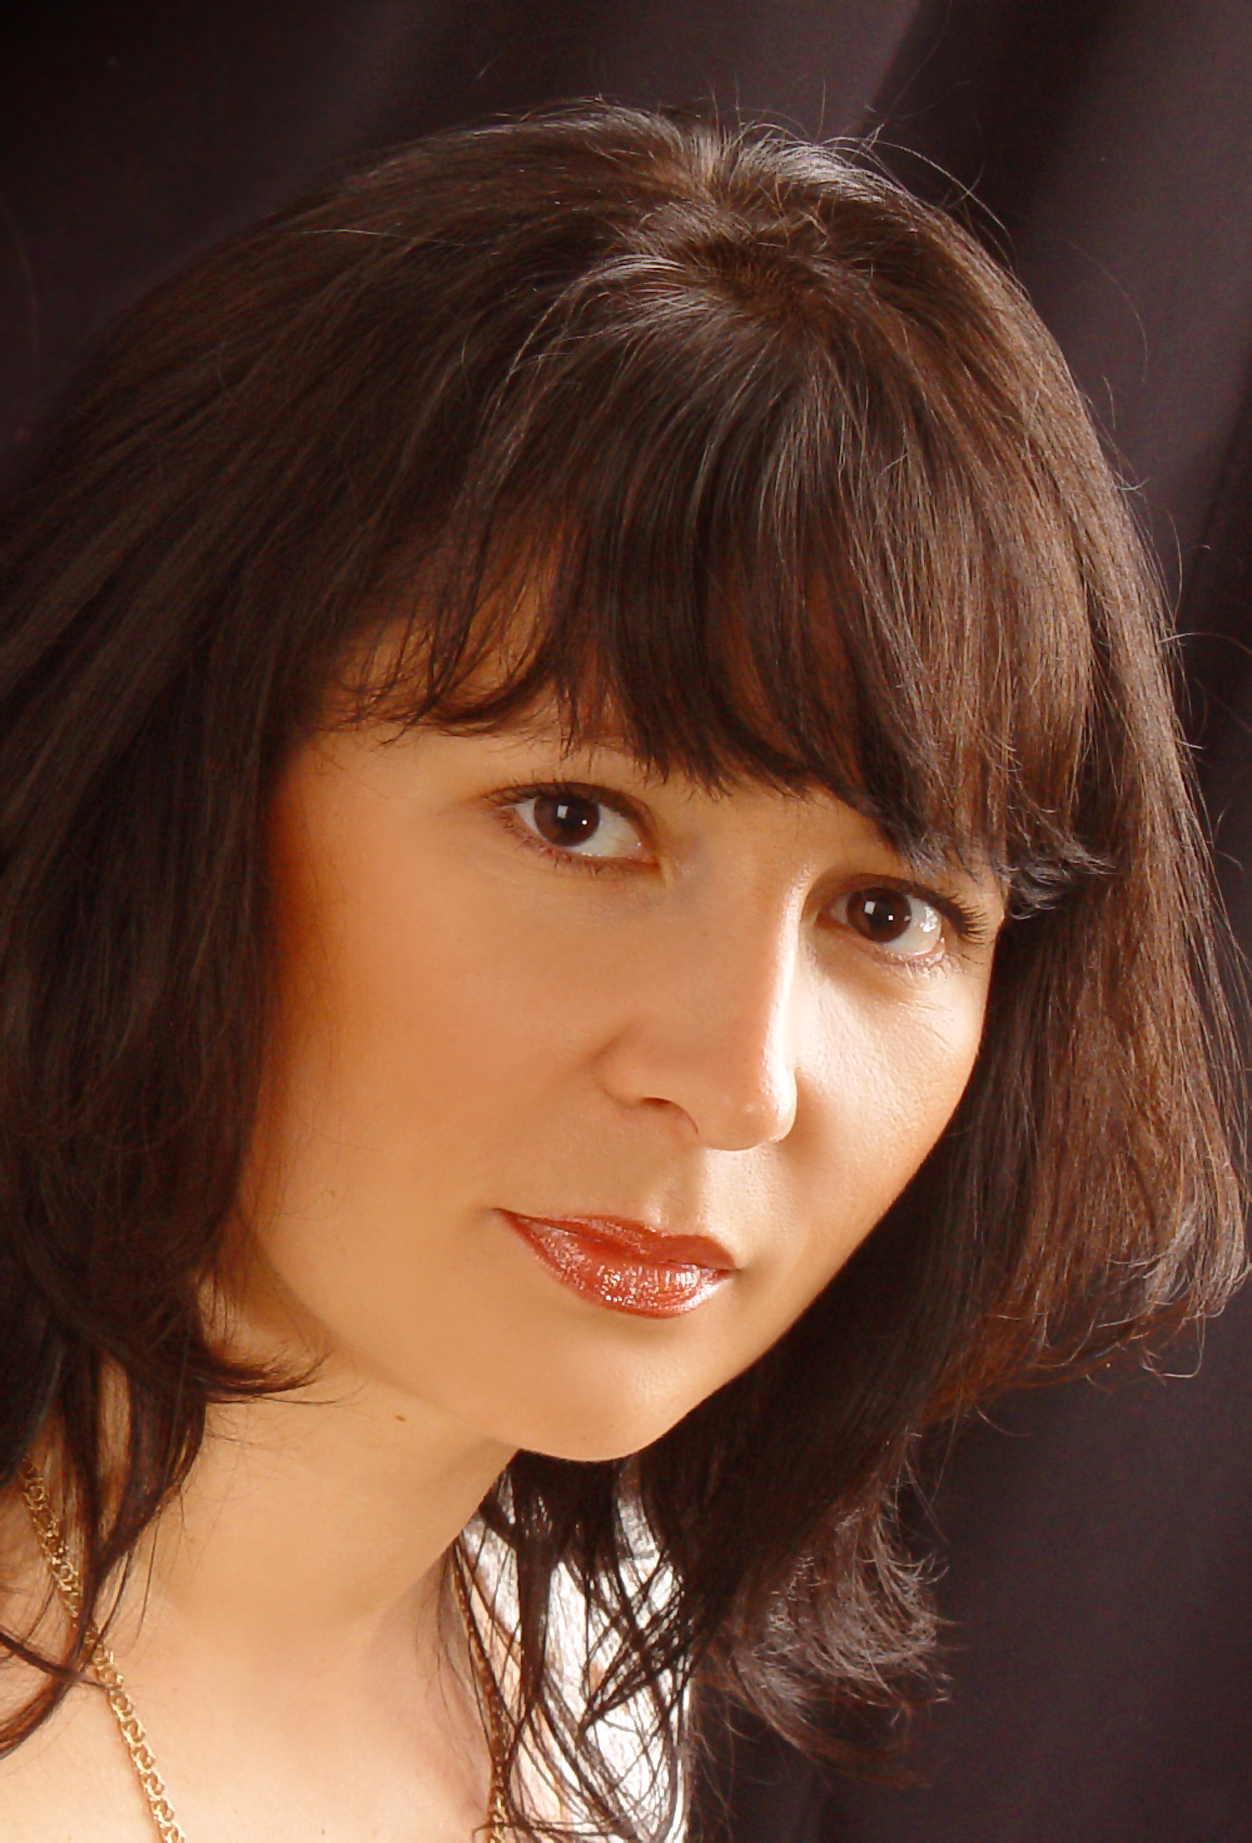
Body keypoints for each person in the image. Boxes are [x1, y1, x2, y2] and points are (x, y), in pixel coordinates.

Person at [0, 104, 1241, 1843]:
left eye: (888, 912)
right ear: (169, 779)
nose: (738, 1082)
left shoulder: (580, 1651)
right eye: (577, 821)